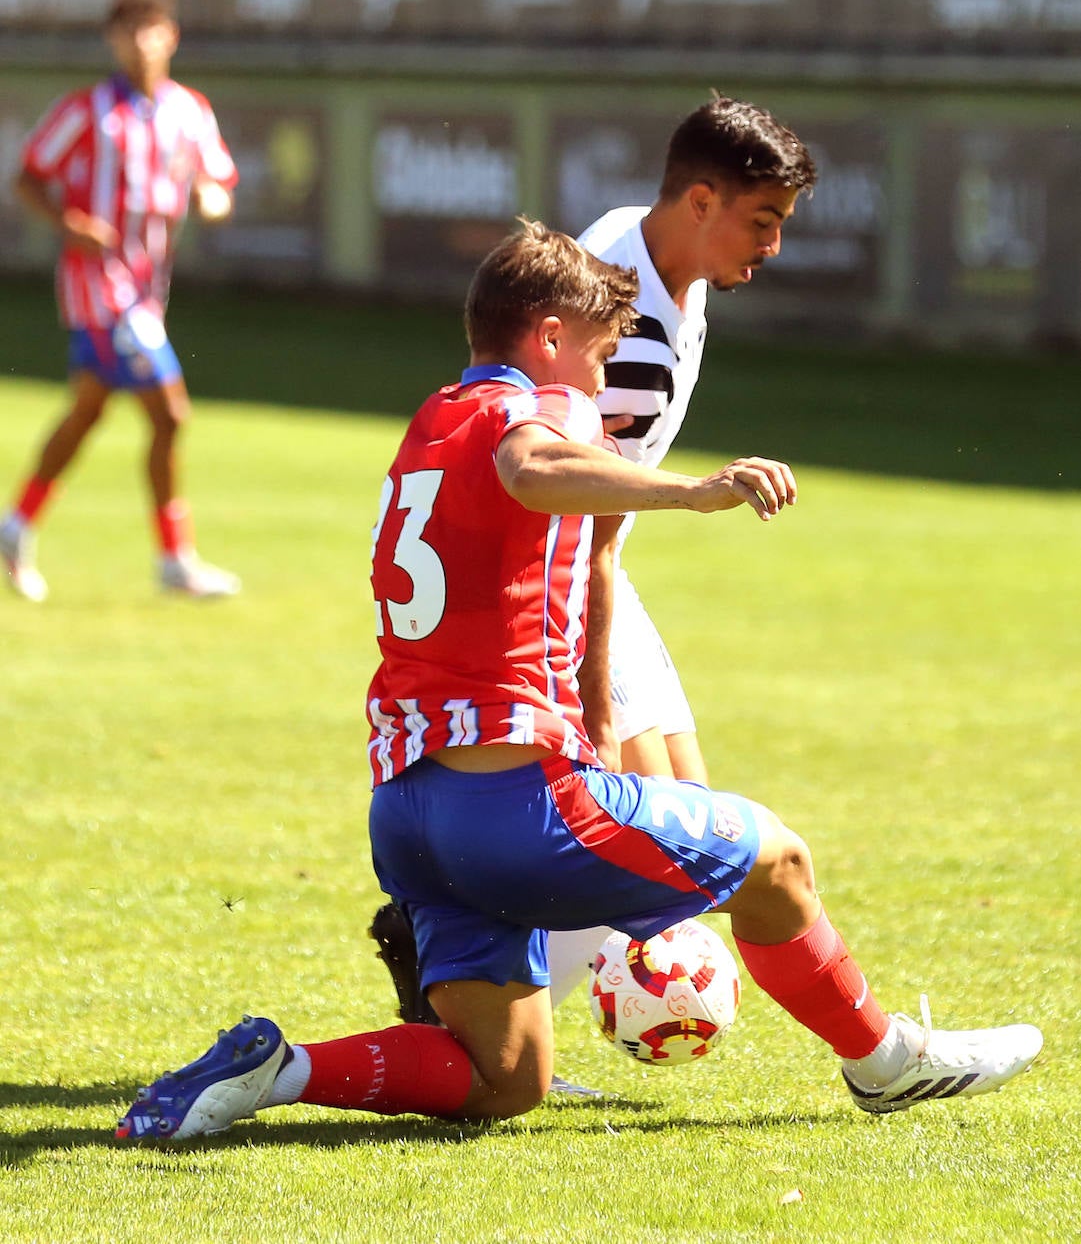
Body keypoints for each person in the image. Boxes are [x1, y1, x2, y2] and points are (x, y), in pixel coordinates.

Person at [116, 220, 1040, 1142]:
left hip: (408, 812)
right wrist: (693, 492)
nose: (603, 382)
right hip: (514, 809)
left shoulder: (434, 416)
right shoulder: (543, 410)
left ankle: (277, 1070)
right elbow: (530, 463)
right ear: (549, 337)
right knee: (778, 860)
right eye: (599, 354)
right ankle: (884, 1064)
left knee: (504, 1077)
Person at [369, 93, 818, 1021]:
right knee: (656, 834)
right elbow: (586, 534)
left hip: (594, 574)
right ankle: (456, 980)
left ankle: (495, 994)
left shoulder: (630, 242)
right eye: (761, 221)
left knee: (683, 817)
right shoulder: (630, 351)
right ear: (698, 201)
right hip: (572, 589)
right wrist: (592, 702)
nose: (772, 246)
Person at [1, 0, 241, 602]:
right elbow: (29, 177)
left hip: (146, 290)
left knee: (86, 413)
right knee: (171, 410)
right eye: (127, 30)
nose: (139, 42)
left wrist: (213, 199)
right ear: (112, 40)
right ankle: (174, 558)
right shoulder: (86, 111)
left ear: (171, 37)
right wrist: (66, 224)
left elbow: (217, 180)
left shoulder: (190, 111)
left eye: (150, 28)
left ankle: (14, 525)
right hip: (98, 289)